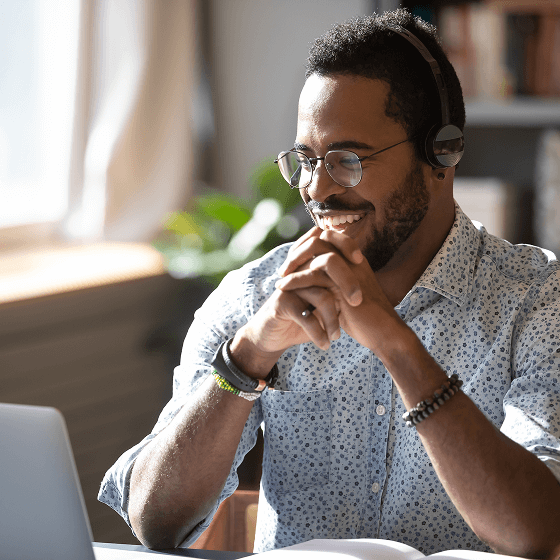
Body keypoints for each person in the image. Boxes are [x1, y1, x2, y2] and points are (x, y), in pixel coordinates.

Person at [99, 9, 560, 558]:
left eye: (347, 160)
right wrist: (249, 356)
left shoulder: (538, 301)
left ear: (442, 153)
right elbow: (155, 524)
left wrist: (396, 345)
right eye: (306, 160)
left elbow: (540, 533)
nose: (318, 189)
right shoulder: (255, 296)